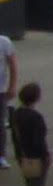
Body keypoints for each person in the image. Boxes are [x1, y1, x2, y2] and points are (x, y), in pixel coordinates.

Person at [10, 81, 49, 186]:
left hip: (23, 157)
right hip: (36, 159)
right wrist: (45, 155)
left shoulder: (16, 114)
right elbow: (39, 142)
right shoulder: (35, 117)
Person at [0, 31, 15, 169]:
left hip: (1, 91)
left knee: (1, 125)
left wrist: (11, 87)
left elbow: (12, 66)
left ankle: (1, 156)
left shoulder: (4, 42)